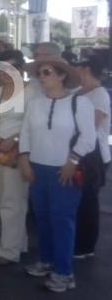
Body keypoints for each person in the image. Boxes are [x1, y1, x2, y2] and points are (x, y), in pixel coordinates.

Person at [20, 55, 96, 293]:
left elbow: (89, 138)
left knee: (62, 220)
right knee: (42, 218)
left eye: (47, 72)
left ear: (62, 75)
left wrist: (72, 160)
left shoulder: (79, 103)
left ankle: (64, 272)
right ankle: (46, 260)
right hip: (37, 167)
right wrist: (24, 158)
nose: (41, 77)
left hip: (64, 170)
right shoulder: (34, 104)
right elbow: (25, 133)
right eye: (39, 73)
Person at [0, 50, 33, 266]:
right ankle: (16, 242)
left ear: (21, 69)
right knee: (4, 198)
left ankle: (8, 251)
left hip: (19, 152)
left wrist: (14, 140)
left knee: (12, 200)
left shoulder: (31, 92)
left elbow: (34, 125)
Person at [72, 55, 110, 259]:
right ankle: (77, 241)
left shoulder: (99, 95)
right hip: (78, 155)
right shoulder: (79, 92)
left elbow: (89, 127)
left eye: (77, 67)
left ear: (85, 69)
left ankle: (86, 246)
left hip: (94, 158)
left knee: (88, 203)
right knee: (78, 201)